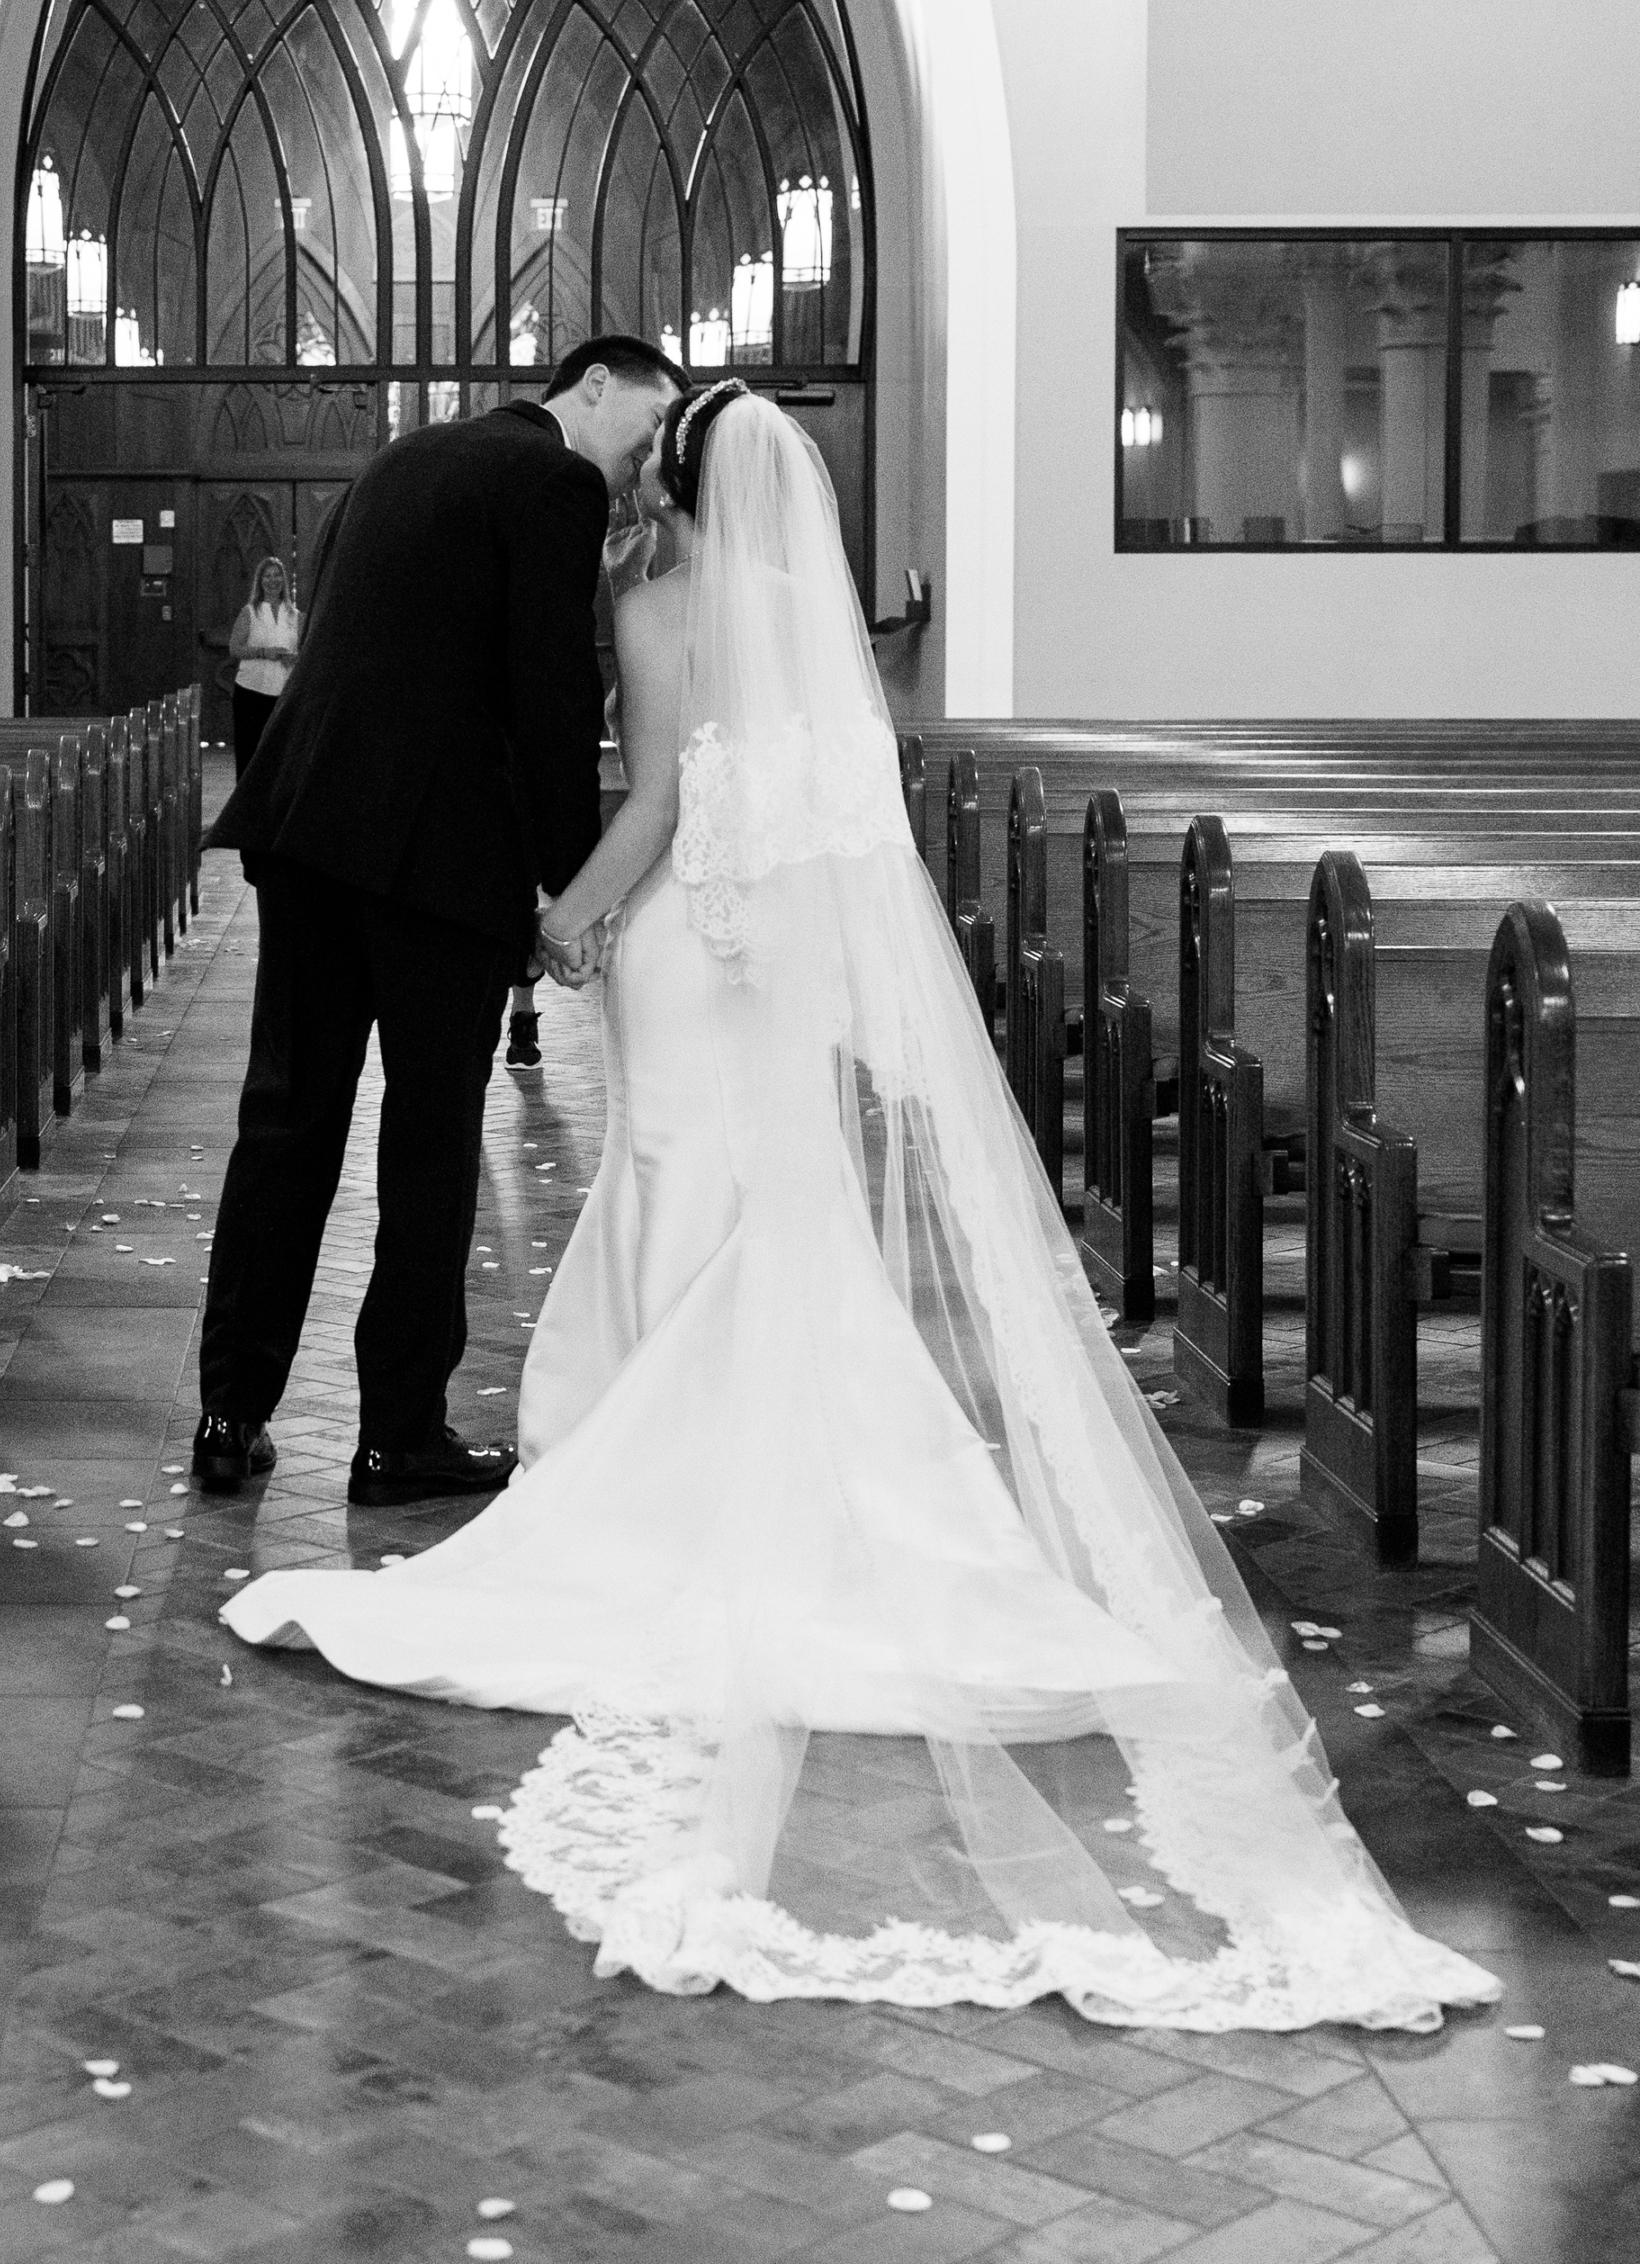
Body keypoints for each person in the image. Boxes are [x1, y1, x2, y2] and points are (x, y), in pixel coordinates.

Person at [222, 382, 1501, 2038]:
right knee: (764, 1191)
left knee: (673, 1175)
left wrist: (570, 916)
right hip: (783, 953)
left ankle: (639, 1463)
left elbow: (670, 793)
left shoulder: (650, 594)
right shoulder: (810, 621)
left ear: (672, 478)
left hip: (688, 929)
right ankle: (783, 1465)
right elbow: (801, 800)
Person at [191, 334, 685, 1510]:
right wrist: (570, 893)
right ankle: (396, 1435)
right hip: (438, 860)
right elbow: (550, 695)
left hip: (310, 828)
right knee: (427, 1142)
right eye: (645, 428)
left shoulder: (404, 457)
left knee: (286, 1117)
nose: (645, 461)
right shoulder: (556, 480)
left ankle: (229, 1411)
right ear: (595, 386)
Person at [226, 556, 299, 775]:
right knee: (249, 751)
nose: (272, 580)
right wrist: (264, 652)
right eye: (267, 576)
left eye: (277, 576)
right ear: (260, 581)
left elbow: (303, 651)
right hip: (251, 691)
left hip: (282, 693)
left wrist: (293, 657)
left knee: (278, 753)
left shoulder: (294, 615)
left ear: (284, 581)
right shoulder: (250, 612)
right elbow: (235, 648)